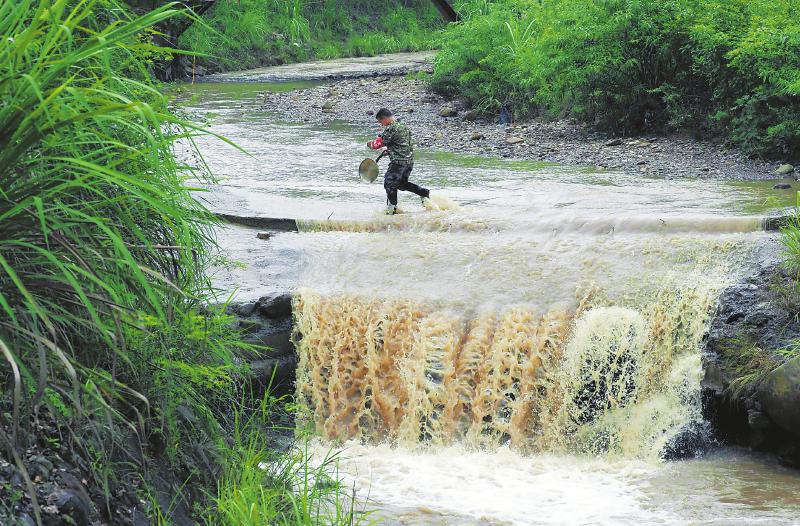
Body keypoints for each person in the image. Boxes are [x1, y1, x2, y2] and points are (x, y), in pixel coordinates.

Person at [367, 108, 430, 215]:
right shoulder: (403, 126)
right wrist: (390, 150)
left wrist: (369, 144)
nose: (381, 124)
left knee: (389, 183)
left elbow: (377, 144)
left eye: (380, 122)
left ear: (385, 118)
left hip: (398, 163)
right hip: (409, 161)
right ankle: (423, 192)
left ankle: (392, 209)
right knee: (401, 184)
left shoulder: (391, 128)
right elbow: (403, 143)